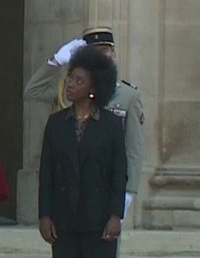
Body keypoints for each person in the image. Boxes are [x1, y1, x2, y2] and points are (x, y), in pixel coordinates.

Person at [38, 45, 126, 258]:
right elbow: (46, 171)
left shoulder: (112, 126)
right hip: (64, 215)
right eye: (70, 78)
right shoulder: (56, 123)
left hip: (99, 216)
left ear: (93, 88)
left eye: (77, 80)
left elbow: (119, 175)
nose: (70, 84)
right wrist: (44, 214)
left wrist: (117, 214)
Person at [24, 26, 144, 217]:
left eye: (105, 52)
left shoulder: (128, 96)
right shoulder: (69, 91)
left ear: (114, 55)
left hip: (106, 179)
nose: (101, 59)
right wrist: (55, 62)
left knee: (107, 241)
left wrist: (130, 189)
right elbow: (32, 91)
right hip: (72, 179)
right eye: (94, 54)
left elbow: (134, 148)